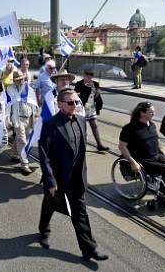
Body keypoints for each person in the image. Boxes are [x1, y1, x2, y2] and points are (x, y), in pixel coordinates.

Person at [38, 88, 108, 261]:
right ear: (60, 104)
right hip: (58, 177)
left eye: (77, 102)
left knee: (80, 213)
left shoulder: (81, 120)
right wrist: (50, 180)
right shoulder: (51, 125)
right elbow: (44, 154)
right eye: (71, 103)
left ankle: (88, 249)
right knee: (50, 204)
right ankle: (44, 230)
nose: (75, 105)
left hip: (77, 178)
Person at [119, 102, 165, 204]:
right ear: (142, 113)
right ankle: (162, 196)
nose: (154, 114)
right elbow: (122, 146)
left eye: (153, 112)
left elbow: (155, 143)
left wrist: (163, 154)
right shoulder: (130, 128)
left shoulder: (152, 125)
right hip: (142, 159)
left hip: (157, 156)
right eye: (151, 112)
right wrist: (132, 162)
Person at [6, 70, 36, 175]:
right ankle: (25, 164)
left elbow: (33, 103)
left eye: (22, 78)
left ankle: (15, 153)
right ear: (14, 80)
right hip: (17, 118)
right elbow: (8, 104)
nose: (21, 81)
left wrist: (34, 115)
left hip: (29, 117)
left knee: (21, 138)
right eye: (18, 79)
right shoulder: (10, 89)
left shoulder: (29, 89)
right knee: (23, 141)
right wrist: (7, 118)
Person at [74, 70, 110, 152]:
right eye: (87, 74)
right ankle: (81, 145)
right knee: (83, 127)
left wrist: (97, 93)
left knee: (94, 125)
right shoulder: (79, 84)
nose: (89, 76)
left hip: (91, 108)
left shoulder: (96, 84)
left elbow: (96, 97)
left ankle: (99, 145)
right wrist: (87, 89)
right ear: (84, 75)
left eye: (91, 74)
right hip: (82, 108)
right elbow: (76, 96)